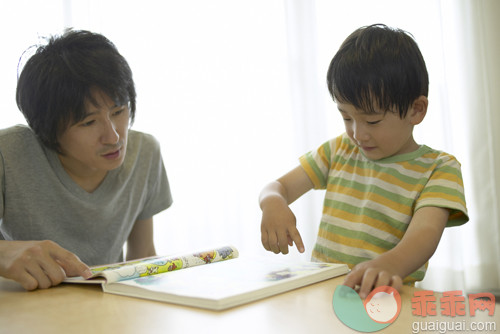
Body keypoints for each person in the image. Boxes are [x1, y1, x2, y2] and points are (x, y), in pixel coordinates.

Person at [259, 24, 468, 298]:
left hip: (383, 299)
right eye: (346, 117)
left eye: (372, 120)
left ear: (416, 110)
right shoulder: (339, 150)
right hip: (326, 295)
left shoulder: (439, 168)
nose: (357, 133)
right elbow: (278, 187)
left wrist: (390, 265)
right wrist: (272, 202)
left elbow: (426, 233)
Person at [0, 30, 172, 290]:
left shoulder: (144, 153)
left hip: (107, 312)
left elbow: (142, 256)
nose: (113, 136)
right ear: (46, 128)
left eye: (118, 111)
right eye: (89, 122)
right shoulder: (8, 154)